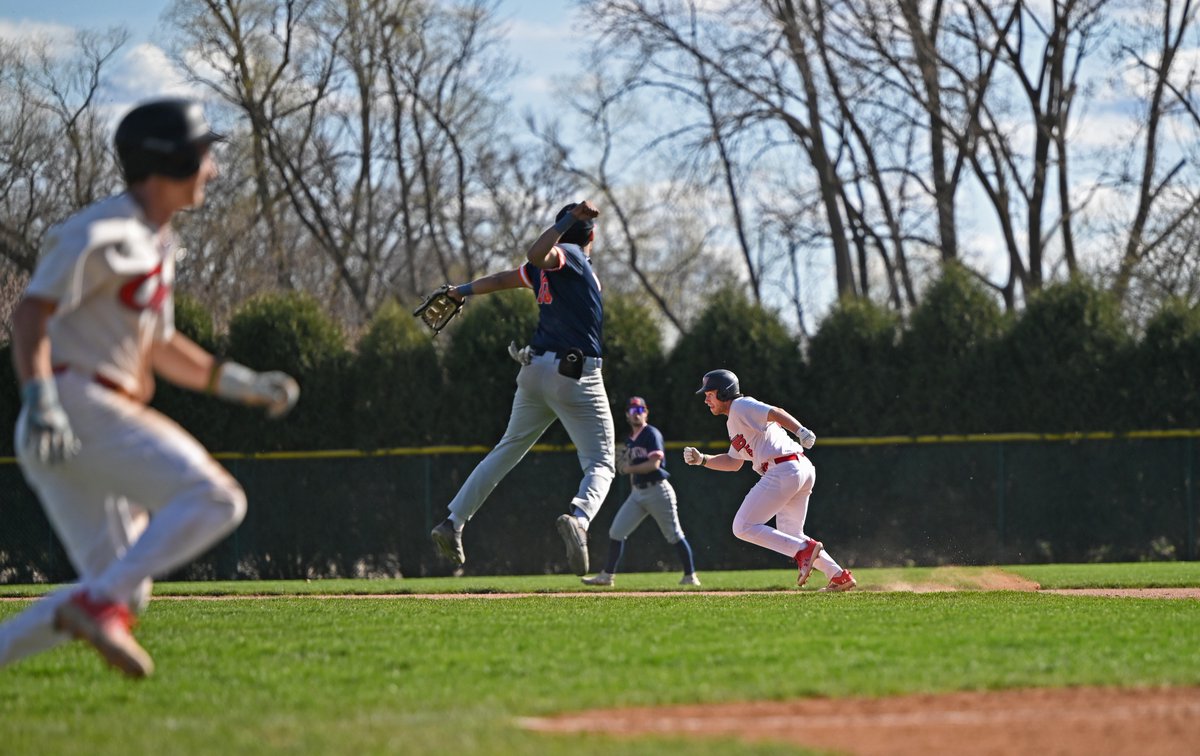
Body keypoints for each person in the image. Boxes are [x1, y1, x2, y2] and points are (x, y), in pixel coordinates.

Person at [0, 98, 300, 678]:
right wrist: (39, 397)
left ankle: (92, 607)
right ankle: (95, 605)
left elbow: (159, 347)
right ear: (176, 158)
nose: (212, 168)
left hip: (75, 415)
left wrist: (241, 383)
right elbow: (31, 316)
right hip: (75, 405)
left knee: (123, 591)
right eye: (204, 154)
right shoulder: (100, 230)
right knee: (217, 499)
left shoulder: (153, 240)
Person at [429, 201, 615, 576]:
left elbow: (501, 280)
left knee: (507, 449)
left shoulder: (548, 269)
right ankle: (579, 519)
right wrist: (569, 222)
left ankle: (453, 521)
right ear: (591, 235)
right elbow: (538, 253)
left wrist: (461, 290)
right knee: (601, 462)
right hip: (573, 373)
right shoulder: (573, 256)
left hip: (535, 370)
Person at [682, 369, 855, 592]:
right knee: (792, 536)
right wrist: (703, 459)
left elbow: (775, 412)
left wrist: (800, 430)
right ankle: (838, 575)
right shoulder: (734, 420)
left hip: (783, 469)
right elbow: (734, 462)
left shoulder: (741, 406)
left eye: (710, 393)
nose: (706, 399)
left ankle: (803, 550)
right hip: (797, 469)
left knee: (742, 526)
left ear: (725, 393)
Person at [582, 396, 699, 587]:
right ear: (627, 414)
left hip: (658, 491)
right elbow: (632, 469)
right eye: (632, 410)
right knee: (616, 531)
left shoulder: (651, 434)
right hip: (637, 493)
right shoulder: (630, 440)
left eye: (640, 410)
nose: (636, 414)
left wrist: (628, 469)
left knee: (674, 534)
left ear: (646, 412)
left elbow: (654, 464)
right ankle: (607, 576)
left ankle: (690, 576)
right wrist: (631, 480)